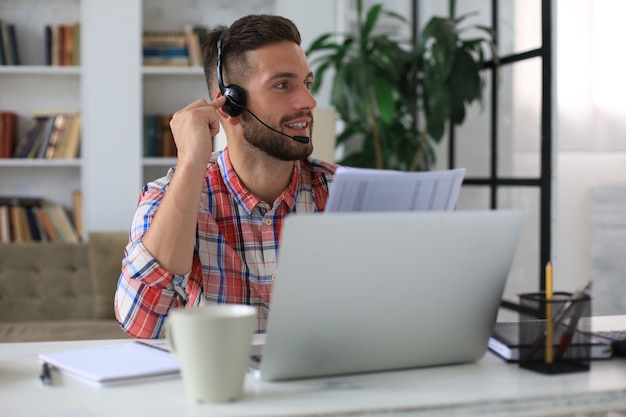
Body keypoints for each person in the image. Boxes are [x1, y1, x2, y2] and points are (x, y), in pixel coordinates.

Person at [114, 14, 338, 339]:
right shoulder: (169, 196)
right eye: (282, 85)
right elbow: (142, 322)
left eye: (307, 83)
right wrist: (191, 161)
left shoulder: (343, 193)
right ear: (229, 104)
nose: (309, 101)